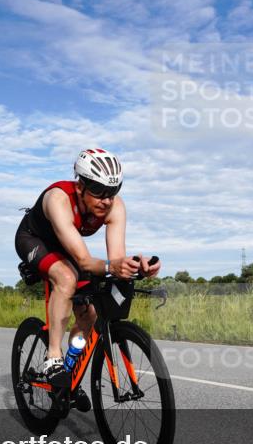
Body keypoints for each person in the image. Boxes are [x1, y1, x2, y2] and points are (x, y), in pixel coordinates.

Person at [15, 149, 160, 389]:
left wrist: (136, 268)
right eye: (98, 191)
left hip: (66, 247)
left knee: (89, 314)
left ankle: (70, 377)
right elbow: (84, 261)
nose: (106, 199)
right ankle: (53, 357)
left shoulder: (115, 207)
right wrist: (110, 266)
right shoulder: (58, 199)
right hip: (34, 240)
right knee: (66, 278)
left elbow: (114, 261)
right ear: (80, 186)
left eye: (113, 191)